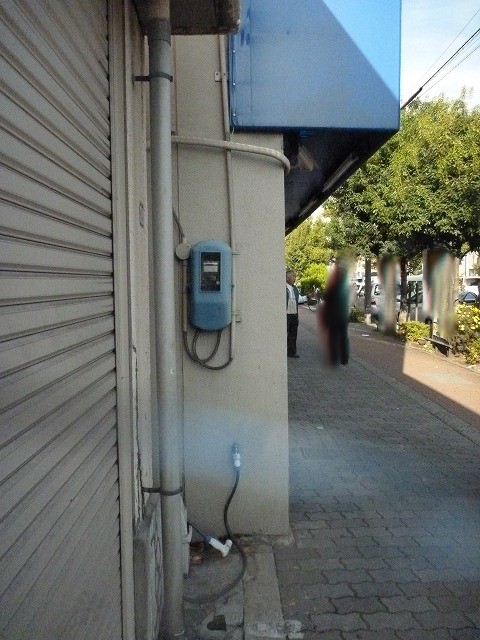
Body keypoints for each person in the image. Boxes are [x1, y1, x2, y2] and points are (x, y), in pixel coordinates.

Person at [320, 259, 350, 365]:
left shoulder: (332, 288)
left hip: (333, 317)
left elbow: (325, 298)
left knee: (333, 337)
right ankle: (344, 358)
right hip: (342, 316)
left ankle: (334, 358)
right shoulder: (345, 289)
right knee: (343, 337)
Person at [286, 269, 307, 358]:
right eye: (293, 276)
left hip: (294, 315)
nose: (295, 278)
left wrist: (307, 297)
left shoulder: (294, 288)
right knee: (283, 334)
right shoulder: (283, 287)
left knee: (293, 334)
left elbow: (299, 299)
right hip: (286, 315)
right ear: (287, 278)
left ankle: (291, 352)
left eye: (295, 277)